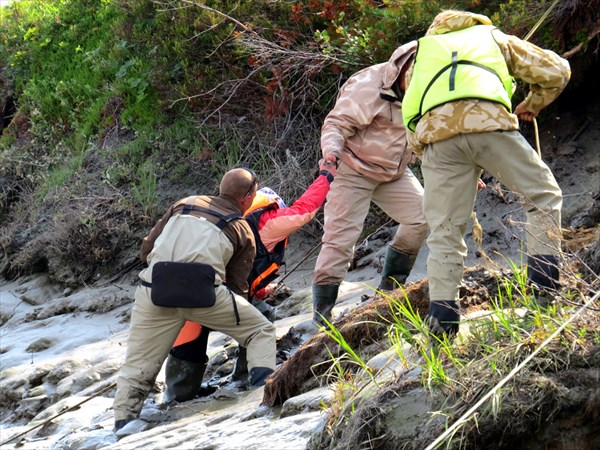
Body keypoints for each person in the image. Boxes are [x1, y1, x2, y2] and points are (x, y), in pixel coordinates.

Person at [402, 10, 571, 337]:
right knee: (543, 197)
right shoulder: (491, 37)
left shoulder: (423, 52)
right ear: (474, 21)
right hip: (489, 126)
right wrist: (533, 103)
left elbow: (410, 112)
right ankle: (544, 297)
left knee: (445, 231)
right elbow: (557, 70)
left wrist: (430, 153)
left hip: (437, 140)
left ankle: (443, 328)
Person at [113, 168, 276, 431]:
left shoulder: (184, 204)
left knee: (138, 363)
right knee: (260, 330)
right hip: (202, 294)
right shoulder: (241, 227)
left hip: (154, 290)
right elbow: (237, 288)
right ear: (248, 197)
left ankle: (123, 423)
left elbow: (146, 251)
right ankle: (263, 397)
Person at [163, 160, 337, 402]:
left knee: (189, 345)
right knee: (262, 320)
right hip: (213, 297)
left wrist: (259, 289)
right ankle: (251, 382)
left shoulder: (219, 215)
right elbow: (304, 211)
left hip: (179, 291)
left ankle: (174, 399)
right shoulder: (267, 222)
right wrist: (326, 177)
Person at [312, 41, 429, 326]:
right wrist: (330, 154)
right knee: (340, 242)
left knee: (423, 217)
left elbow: (440, 132)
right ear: (404, 70)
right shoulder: (368, 85)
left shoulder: (432, 86)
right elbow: (336, 125)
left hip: (394, 172)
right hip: (352, 169)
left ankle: (389, 291)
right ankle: (322, 317)